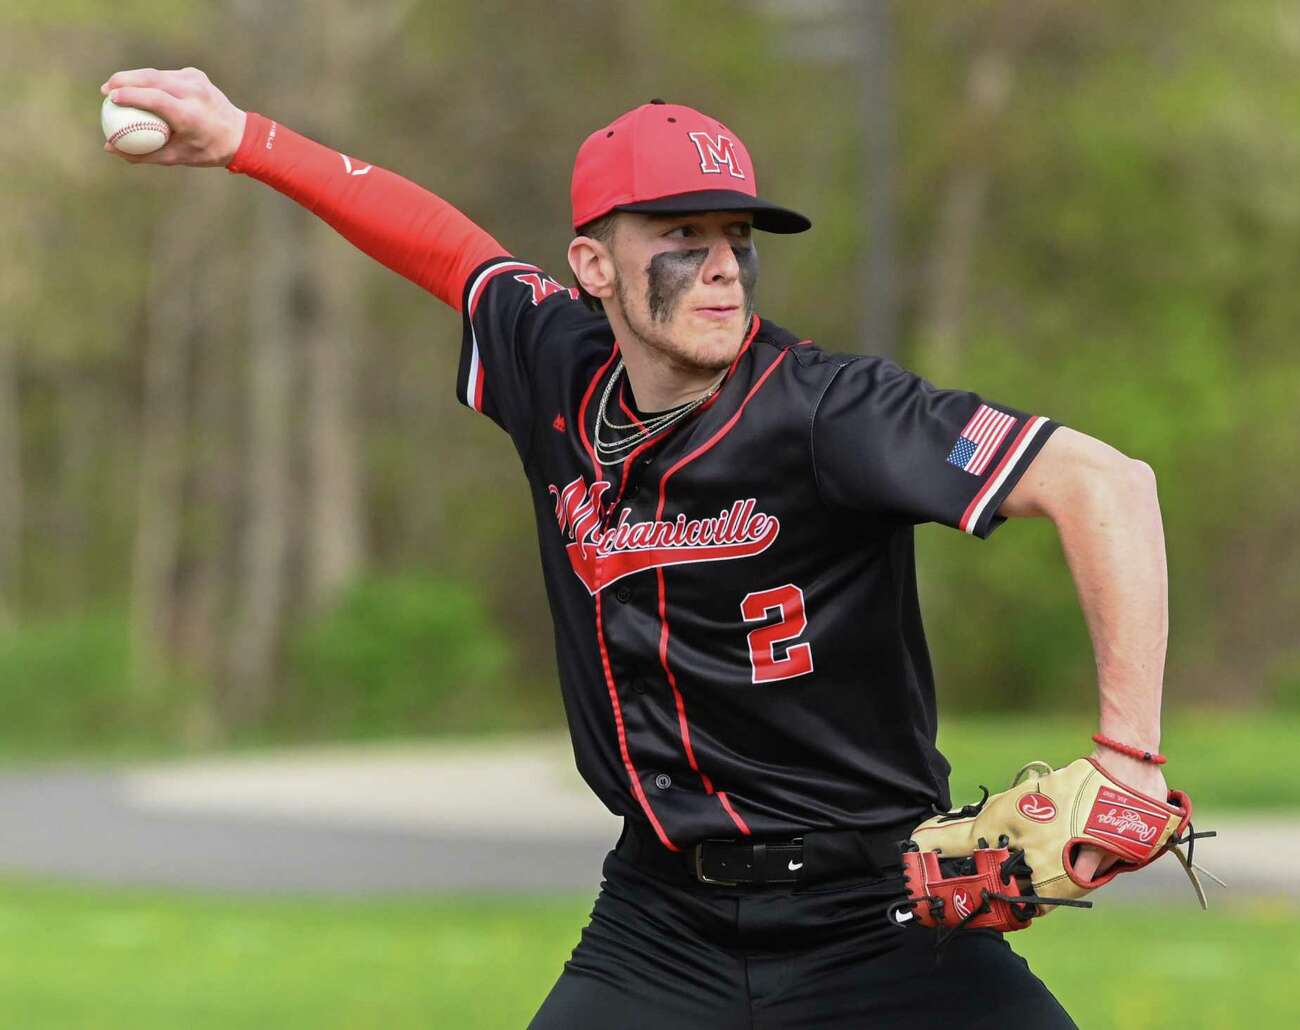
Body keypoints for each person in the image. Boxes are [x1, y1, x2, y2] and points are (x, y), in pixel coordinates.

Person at [103, 66, 1174, 1029]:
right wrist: (244, 138)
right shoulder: (555, 365)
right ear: (593, 266)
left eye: (737, 240)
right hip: (664, 921)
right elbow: (442, 245)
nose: (723, 271)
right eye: (680, 238)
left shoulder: (829, 411)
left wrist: (1130, 754)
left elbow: (1106, 483)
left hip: (879, 911)